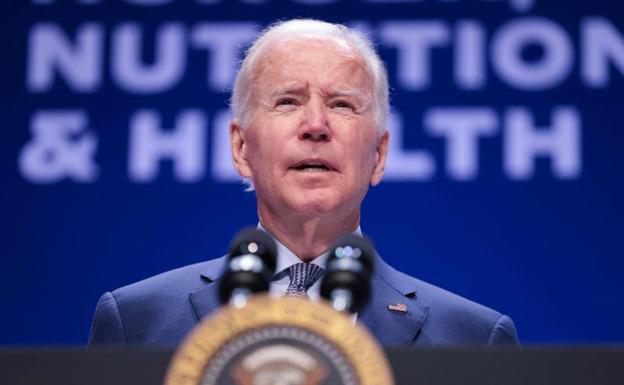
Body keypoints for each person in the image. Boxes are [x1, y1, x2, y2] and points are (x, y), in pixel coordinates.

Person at [89, 19, 519, 347]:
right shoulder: (136, 322)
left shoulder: (473, 339)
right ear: (241, 148)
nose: (316, 125)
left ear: (379, 155)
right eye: (288, 101)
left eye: (342, 104)